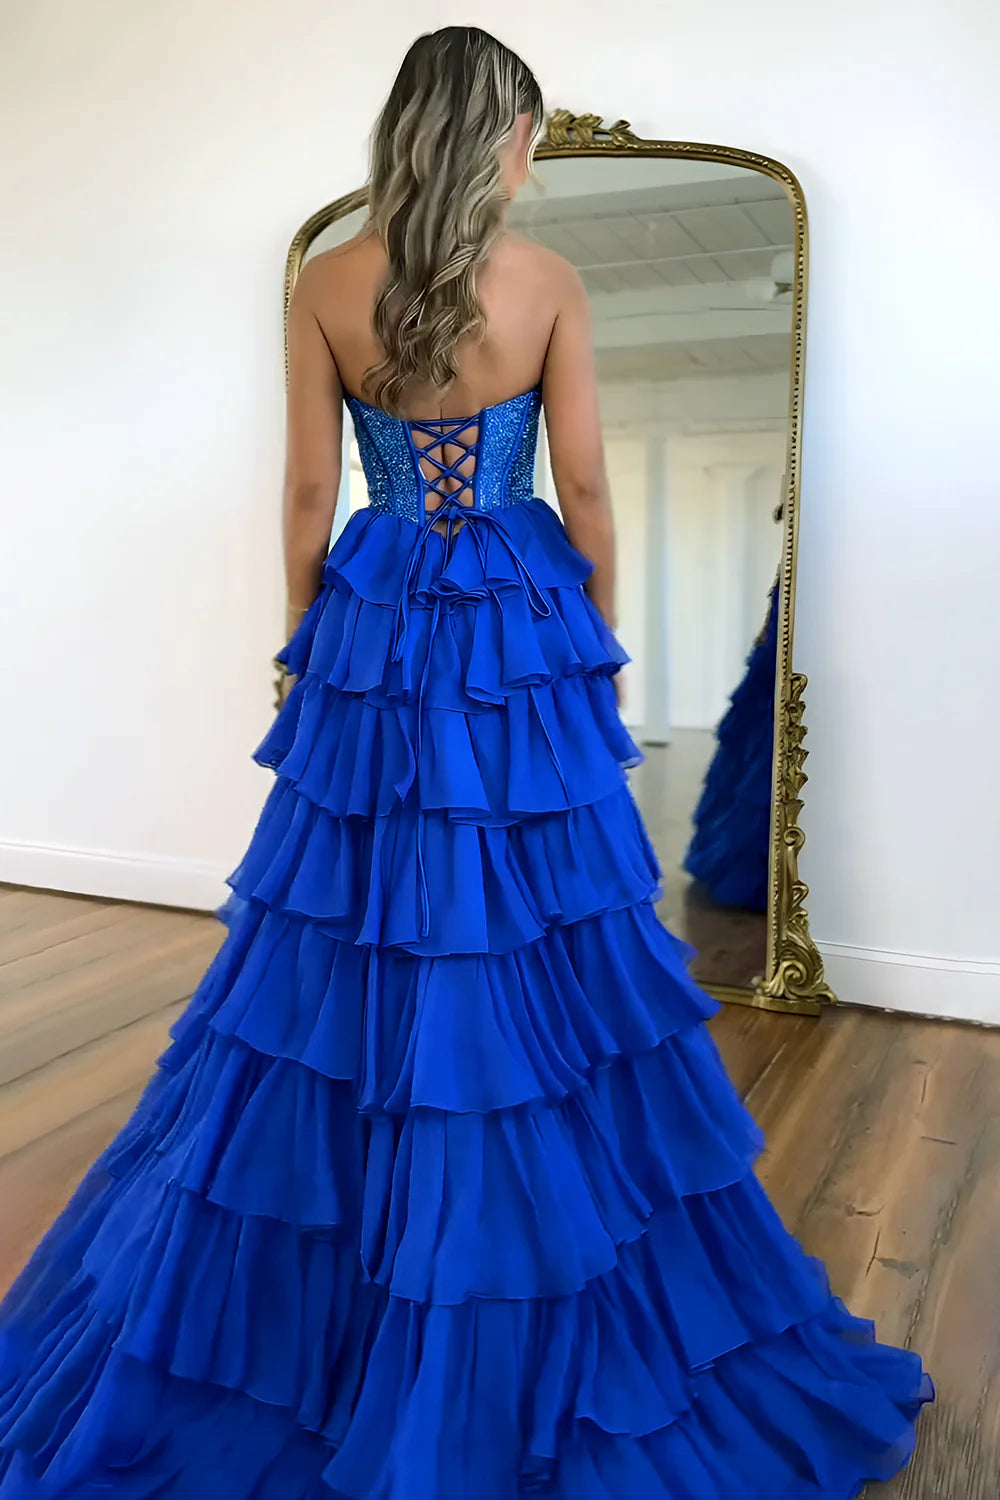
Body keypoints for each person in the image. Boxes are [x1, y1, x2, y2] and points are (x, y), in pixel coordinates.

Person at [0, 25, 932, 1499]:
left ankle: (368, 1188)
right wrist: (594, 635)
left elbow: (310, 490)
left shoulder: (326, 281)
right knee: (534, 910)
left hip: (376, 613)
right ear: (505, 136)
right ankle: (507, 1164)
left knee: (355, 908)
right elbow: (587, 485)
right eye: (527, 134)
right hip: (514, 615)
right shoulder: (545, 281)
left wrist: (304, 643)